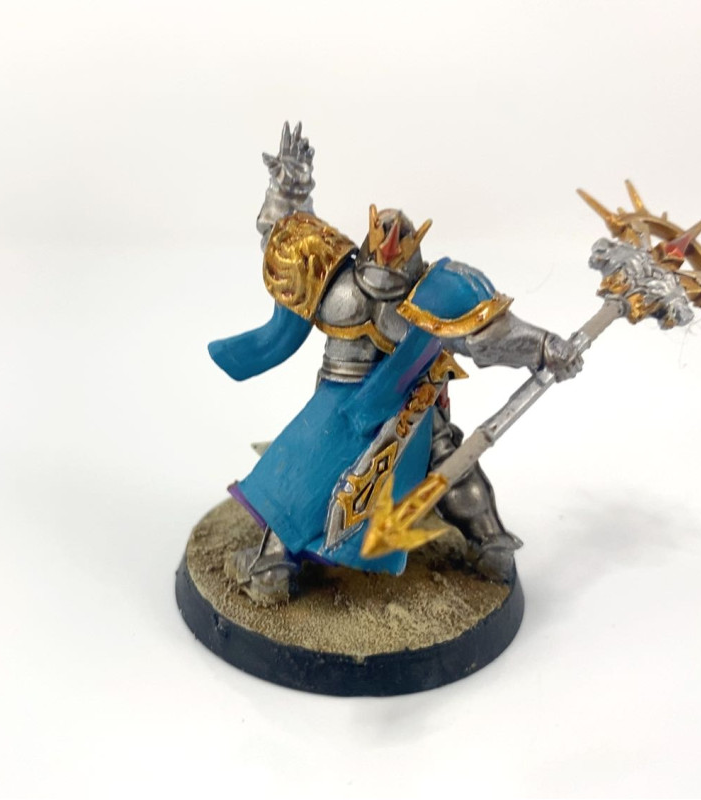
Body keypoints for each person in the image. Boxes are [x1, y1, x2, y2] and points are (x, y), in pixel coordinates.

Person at [209, 123, 583, 604]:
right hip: (350, 409)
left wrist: (544, 346)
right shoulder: (343, 276)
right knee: (312, 472)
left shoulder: (427, 291)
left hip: (405, 409)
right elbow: (285, 233)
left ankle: (489, 542)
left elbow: (492, 335)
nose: (387, 255)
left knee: (435, 464)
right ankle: (273, 567)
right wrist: (291, 186)